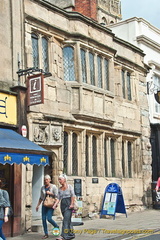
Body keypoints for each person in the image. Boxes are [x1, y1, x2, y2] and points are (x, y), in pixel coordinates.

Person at [36, 175, 59, 239]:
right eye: (44, 180)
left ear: (50, 180)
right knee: (43, 219)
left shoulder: (53, 187)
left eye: (47, 180)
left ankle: (56, 226)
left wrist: (50, 193)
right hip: (44, 204)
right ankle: (46, 233)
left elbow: (57, 196)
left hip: (51, 205)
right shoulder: (42, 188)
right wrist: (38, 205)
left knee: (49, 218)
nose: (45, 181)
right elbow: (41, 197)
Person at [53, 174, 75, 240]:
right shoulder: (59, 189)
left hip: (69, 204)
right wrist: (55, 205)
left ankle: (63, 236)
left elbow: (73, 196)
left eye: (60, 179)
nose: (59, 181)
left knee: (65, 220)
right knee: (68, 220)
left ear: (64, 179)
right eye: (58, 179)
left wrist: (72, 204)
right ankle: (71, 234)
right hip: (63, 204)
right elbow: (58, 198)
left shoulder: (69, 187)